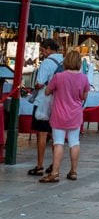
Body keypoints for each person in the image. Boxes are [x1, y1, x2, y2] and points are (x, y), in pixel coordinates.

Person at [40, 49, 90, 183]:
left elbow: (47, 91)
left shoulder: (59, 77)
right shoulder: (84, 78)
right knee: (74, 142)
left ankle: (55, 172)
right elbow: (84, 96)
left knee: (58, 143)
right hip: (75, 114)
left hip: (59, 114)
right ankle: (73, 171)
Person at [27, 38, 64, 177]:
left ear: (48, 48)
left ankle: (40, 165)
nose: (42, 52)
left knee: (41, 134)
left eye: (43, 49)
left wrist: (34, 87)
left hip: (44, 102)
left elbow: (40, 83)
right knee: (56, 135)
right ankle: (55, 164)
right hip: (58, 102)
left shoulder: (47, 63)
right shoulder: (64, 61)